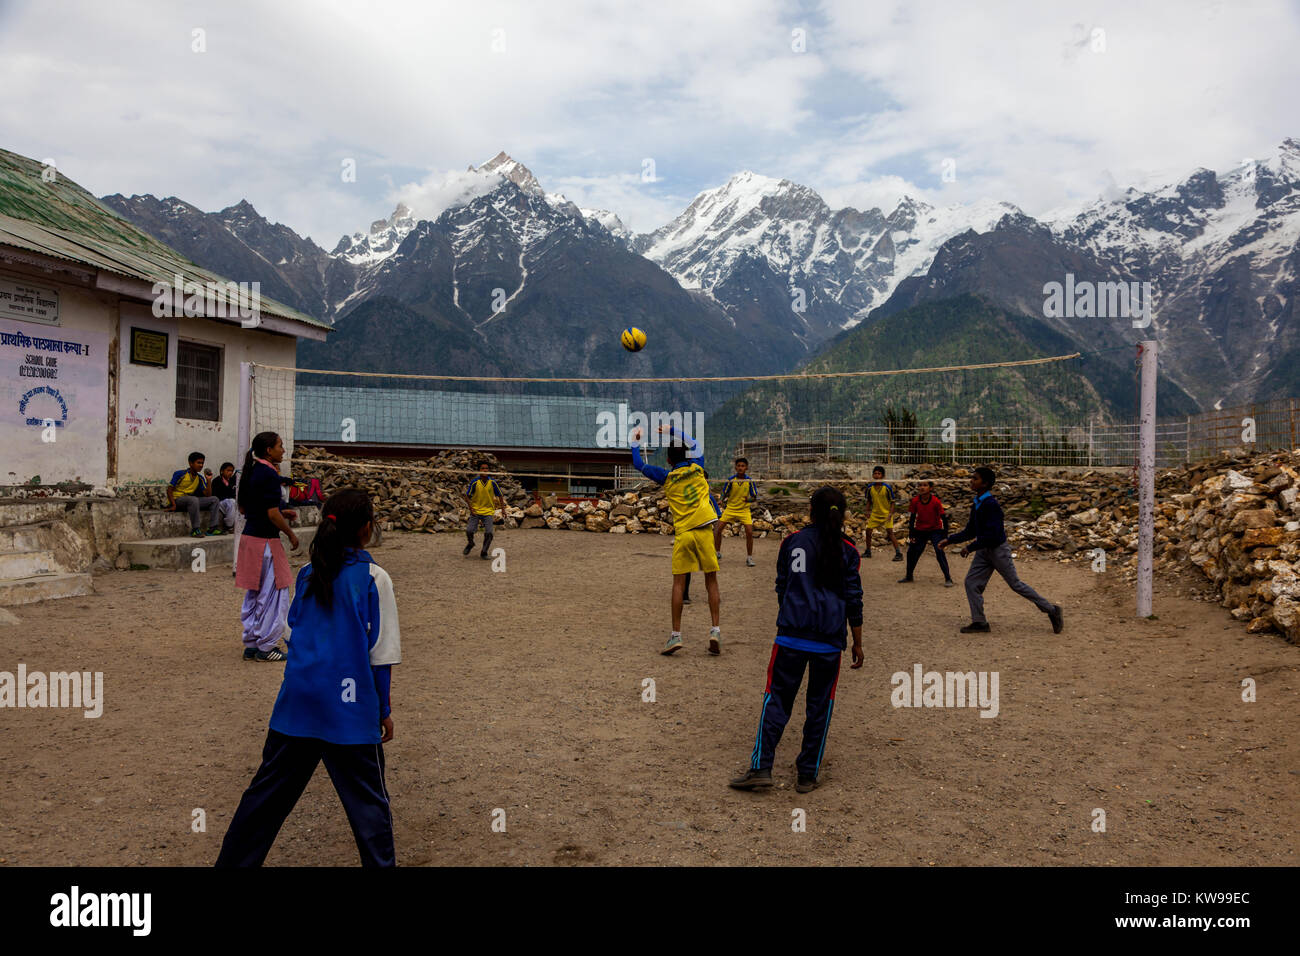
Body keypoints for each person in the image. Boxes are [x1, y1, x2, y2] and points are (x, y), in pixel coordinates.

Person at [216, 488, 401, 867]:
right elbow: (380, 656)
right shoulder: (374, 579)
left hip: (297, 705)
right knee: (369, 811)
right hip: (349, 714)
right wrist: (382, 709)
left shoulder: (307, 573)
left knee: (263, 802)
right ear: (366, 529)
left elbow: (289, 630)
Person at [730, 486, 863, 794]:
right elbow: (854, 600)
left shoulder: (792, 542)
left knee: (776, 700)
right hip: (829, 642)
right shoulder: (849, 551)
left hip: (791, 636)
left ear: (811, 511)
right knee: (820, 706)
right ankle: (807, 774)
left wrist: (791, 612)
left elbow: (782, 585)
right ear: (842, 515)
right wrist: (857, 641)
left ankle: (762, 767)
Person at [630, 423, 721, 655]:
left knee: (679, 584)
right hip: (704, 530)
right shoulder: (698, 468)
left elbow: (639, 464)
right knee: (711, 581)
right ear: (687, 456)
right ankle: (715, 631)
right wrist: (673, 430)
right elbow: (696, 445)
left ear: (669, 461)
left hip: (684, 533)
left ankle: (676, 636)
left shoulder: (667, 476)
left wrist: (635, 442)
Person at [939, 466, 1064, 634]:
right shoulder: (978, 502)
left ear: (985, 483)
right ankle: (979, 622)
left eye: (975, 478)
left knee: (1016, 585)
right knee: (971, 583)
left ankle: (1052, 610)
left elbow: (994, 535)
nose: (971, 481)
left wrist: (970, 547)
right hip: (984, 550)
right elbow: (971, 530)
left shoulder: (991, 504)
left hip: (997, 550)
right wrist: (950, 540)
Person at [236, 432, 299, 662]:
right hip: (266, 542)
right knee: (276, 593)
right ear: (268, 450)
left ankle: (252, 643)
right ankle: (267, 646)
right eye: (280, 446)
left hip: (249, 540)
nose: (283, 450)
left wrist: (282, 512)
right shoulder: (270, 474)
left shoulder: (251, 471)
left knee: (254, 591)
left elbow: (247, 508)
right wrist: (290, 533)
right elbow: (271, 514)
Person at [898, 480, 955, 587]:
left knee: (939, 552)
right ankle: (909, 576)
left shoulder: (935, 501)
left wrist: (945, 535)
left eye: (925, 485)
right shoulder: (915, 501)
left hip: (935, 530)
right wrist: (911, 534)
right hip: (920, 530)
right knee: (912, 552)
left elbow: (944, 518)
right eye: (920, 485)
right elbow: (912, 518)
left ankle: (948, 578)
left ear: (930, 488)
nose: (922, 488)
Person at [715, 457, 758, 567]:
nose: (740, 468)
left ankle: (749, 557)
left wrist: (747, 500)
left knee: (749, 531)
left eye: (742, 466)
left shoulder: (749, 481)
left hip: (744, 510)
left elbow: (754, 497)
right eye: (738, 466)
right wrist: (720, 501)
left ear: (746, 468)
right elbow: (724, 493)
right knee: (718, 529)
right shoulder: (731, 480)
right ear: (735, 467)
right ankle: (717, 552)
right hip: (731, 509)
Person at [168, 452, 221, 537]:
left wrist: (209, 481)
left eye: (202, 463)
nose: (201, 465)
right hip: (178, 500)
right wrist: (173, 504)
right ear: (191, 463)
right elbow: (169, 489)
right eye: (198, 462)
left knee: (214, 499)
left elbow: (208, 495)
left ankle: (213, 528)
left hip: (191, 502)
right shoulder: (180, 474)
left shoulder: (200, 478)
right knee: (193, 499)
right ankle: (195, 529)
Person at [464, 462, 505, 560]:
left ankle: (484, 552)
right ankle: (470, 543)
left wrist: (503, 510)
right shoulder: (474, 482)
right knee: (469, 531)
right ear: (479, 470)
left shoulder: (493, 482)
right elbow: (467, 496)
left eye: (486, 468)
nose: (485, 470)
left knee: (489, 532)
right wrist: (471, 509)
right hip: (476, 511)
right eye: (482, 468)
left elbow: (500, 495)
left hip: (488, 511)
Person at [863, 466, 903, 561]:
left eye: (879, 474)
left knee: (890, 533)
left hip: (886, 514)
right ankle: (868, 551)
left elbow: (892, 502)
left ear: (883, 476)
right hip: (875, 514)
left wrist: (890, 514)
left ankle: (898, 553)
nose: (877, 475)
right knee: (868, 532)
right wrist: (867, 511)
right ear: (873, 475)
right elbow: (869, 500)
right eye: (875, 473)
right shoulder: (870, 488)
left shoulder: (887, 488)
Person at [211, 462, 239, 533]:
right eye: (228, 470)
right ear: (222, 471)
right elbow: (216, 495)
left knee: (235, 502)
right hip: (220, 502)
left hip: (229, 502)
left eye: (232, 471)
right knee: (231, 502)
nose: (230, 473)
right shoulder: (217, 481)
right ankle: (229, 525)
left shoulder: (232, 481)